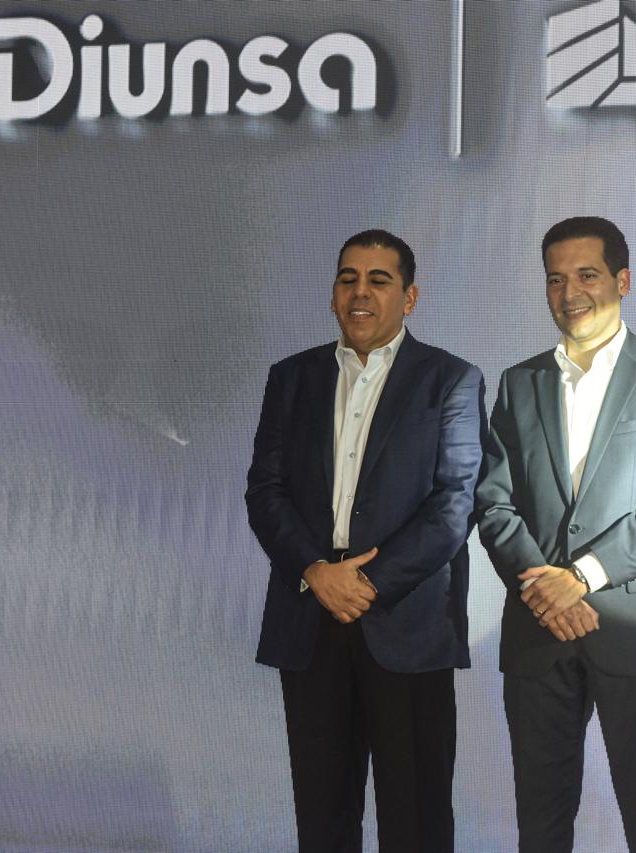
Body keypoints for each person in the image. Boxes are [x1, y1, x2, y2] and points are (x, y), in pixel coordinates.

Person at [476, 216, 636, 853]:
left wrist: (577, 579)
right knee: (540, 825)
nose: (570, 291)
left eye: (587, 275)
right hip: (539, 631)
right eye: (555, 279)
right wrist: (543, 588)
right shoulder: (518, 382)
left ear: (622, 281)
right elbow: (493, 502)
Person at [245, 229, 484, 853]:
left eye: (379, 280)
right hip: (311, 616)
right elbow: (265, 490)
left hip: (407, 623)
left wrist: (368, 582)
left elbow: (455, 502)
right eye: (347, 278)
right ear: (332, 295)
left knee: (416, 821)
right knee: (323, 817)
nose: (360, 293)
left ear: (410, 297)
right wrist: (315, 570)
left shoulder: (450, 379)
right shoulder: (292, 378)